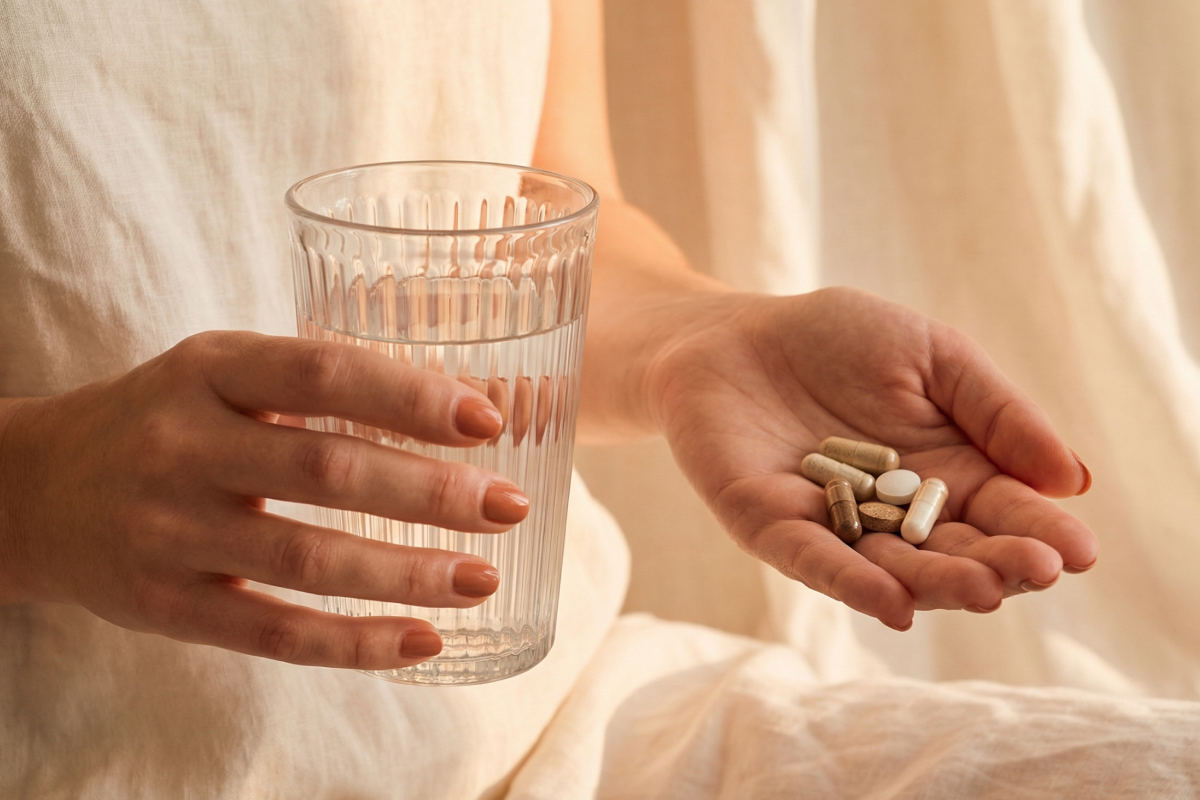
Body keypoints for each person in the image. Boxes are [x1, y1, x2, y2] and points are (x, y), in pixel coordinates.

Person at [0, 0, 1108, 796]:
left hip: (558, 723)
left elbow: (549, 226)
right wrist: (35, 490)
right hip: (94, 760)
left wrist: (702, 338)